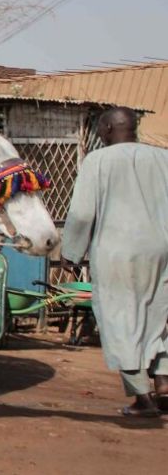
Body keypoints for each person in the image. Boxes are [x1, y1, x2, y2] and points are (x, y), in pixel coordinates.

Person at [61, 107, 168, 418]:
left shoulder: (97, 161)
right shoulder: (162, 159)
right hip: (162, 250)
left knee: (121, 320)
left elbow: (82, 214)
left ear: (106, 129)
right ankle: (163, 383)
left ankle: (142, 398)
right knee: (158, 317)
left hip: (118, 254)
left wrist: (71, 252)